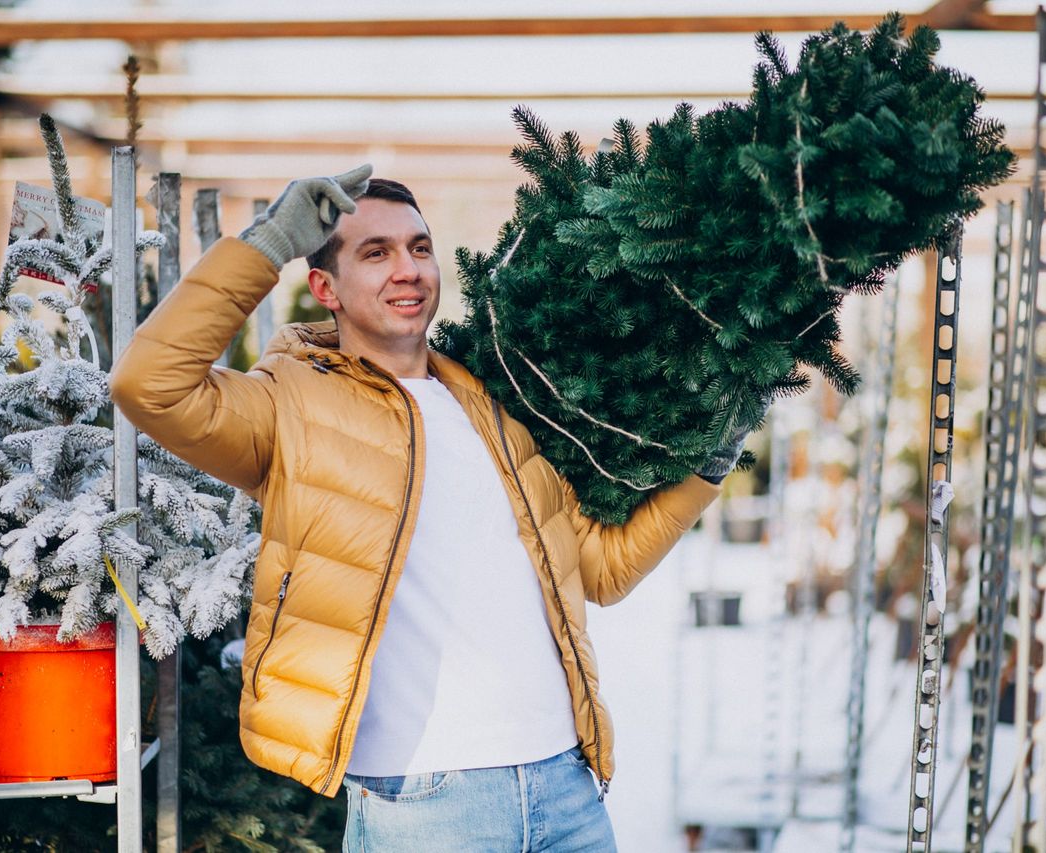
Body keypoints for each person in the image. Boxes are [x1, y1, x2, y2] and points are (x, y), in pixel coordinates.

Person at [109, 166, 747, 852]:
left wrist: (707, 469)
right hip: (423, 807)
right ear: (325, 287)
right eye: (375, 253)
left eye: (419, 247)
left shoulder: (496, 406)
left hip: (566, 788)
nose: (407, 269)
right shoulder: (291, 404)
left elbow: (603, 567)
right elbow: (149, 384)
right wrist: (270, 242)